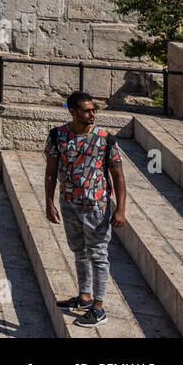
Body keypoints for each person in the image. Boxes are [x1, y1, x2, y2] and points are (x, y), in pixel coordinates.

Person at [45, 91, 127, 328]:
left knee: (99, 255)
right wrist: (49, 202)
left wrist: (120, 209)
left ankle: (98, 309)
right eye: (86, 110)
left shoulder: (105, 139)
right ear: (72, 111)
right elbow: (51, 172)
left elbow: (119, 177)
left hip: (97, 208)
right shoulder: (58, 135)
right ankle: (84, 297)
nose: (92, 114)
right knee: (79, 251)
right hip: (69, 203)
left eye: (93, 110)